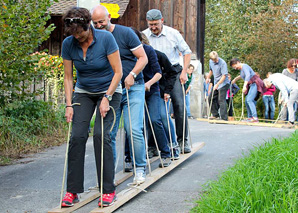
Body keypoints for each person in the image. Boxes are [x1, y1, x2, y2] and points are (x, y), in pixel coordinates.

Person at [61, 7, 122, 207]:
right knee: (77, 136)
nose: (78, 37)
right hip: (84, 91)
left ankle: (108, 189)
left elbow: (118, 72)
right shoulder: (69, 43)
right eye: (74, 34)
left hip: (109, 89)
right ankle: (72, 191)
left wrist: (107, 97)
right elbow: (69, 77)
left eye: (81, 33)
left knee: (101, 135)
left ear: (89, 26)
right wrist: (69, 104)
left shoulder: (105, 38)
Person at [91, 5, 148, 184]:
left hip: (133, 87)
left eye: (101, 21)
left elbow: (143, 58)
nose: (99, 26)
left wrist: (132, 75)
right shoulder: (94, 38)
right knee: (109, 133)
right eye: (95, 23)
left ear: (109, 17)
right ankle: (109, 175)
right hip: (110, 91)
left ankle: (140, 169)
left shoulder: (125, 33)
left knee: (133, 129)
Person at [143, 9, 192, 153]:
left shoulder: (173, 34)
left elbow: (187, 52)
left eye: (156, 24)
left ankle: (182, 140)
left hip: (173, 72)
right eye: (151, 24)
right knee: (152, 109)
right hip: (153, 75)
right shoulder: (144, 35)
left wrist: (184, 72)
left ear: (162, 21)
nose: (153, 27)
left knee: (178, 104)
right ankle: (153, 146)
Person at [230, 58, 266, 122]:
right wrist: (235, 79)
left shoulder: (244, 66)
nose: (235, 68)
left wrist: (244, 86)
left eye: (235, 66)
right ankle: (250, 117)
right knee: (247, 100)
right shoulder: (242, 69)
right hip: (251, 85)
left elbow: (248, 75)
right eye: (234, 68)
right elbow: (242, 75)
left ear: (238, 62)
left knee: (249, 99)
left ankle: (255, 118)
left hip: (255, 83)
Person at [206, 51, 230, 120]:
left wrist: (218, 84)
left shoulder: (222, 63)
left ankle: (224, 117)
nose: (216, 61)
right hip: (216, 82)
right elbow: (211, 70)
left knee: (221, 99)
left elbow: (224, 75)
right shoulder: (211, 62)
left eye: (216, 59)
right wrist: (208, 78)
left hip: (224, 83)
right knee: (210, 98)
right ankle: (215, 115)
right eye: (214, 60)